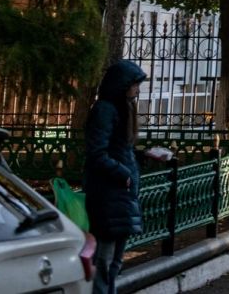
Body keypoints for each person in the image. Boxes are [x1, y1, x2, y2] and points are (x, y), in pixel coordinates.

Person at [83, 60, 170, 294]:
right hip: (109, 193)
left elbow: (118, 149)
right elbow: (97, 153)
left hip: (121, 193)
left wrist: (141, 156)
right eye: (134, 84)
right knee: (105, 258)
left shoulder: (121, 109)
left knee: (114, 261)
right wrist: (123, 174)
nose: (137, 90)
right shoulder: (105, 110)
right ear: (121, 85)